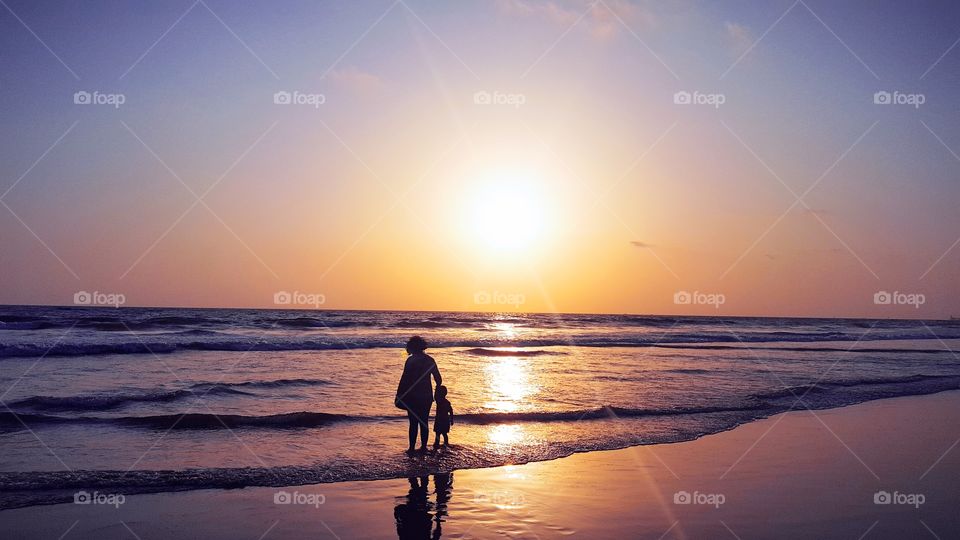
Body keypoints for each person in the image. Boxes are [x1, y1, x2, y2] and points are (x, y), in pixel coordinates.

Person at [395, 336, 442, 452]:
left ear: (412, 347)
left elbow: (404, 379)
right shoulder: (430, 360)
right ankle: (423, 447)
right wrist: (437, 392)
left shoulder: (410, 361)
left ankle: (411, 448)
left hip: (412, 396)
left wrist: (399, 394)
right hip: (426, 396)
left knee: (413, 423)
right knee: (424, 422)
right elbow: (438, 379)